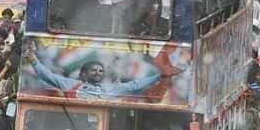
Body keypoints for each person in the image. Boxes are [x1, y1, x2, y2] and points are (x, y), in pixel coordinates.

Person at [24, 40, 180, 100]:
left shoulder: (110, 89)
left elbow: (135, 85)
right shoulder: (69, 84)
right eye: (93, 70)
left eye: (100, 71)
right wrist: (33, 60)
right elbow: (47, 75)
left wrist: (159, 75)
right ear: (83, 73)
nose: (98, 73)